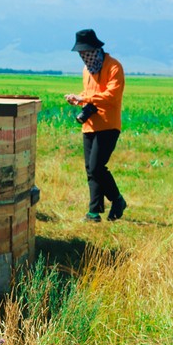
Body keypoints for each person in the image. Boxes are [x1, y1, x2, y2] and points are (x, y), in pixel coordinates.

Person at [64, 28, 127, 222]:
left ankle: (117, 200)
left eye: (86, 53)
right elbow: (89, 93)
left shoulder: (114, 67)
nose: (84, 57)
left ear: (96, 49)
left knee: (97, 167)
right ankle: (94, 212)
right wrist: (79, 100)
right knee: (90, 170)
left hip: (108, 125)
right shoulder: (86, 71)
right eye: (81, 54)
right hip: (90, 125)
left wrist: (84, 98)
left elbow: (111, 95)